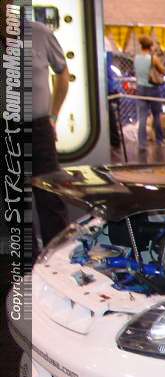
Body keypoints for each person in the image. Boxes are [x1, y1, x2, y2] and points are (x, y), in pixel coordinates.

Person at [30, 19, 70, 246]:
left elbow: (62, 73)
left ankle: (57, 258)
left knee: (50, 200)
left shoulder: (39, 33)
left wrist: (53, 117)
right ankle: (25, 264)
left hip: (39, 129)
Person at [133, 35, 165, 150]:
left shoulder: (136, 58)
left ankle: (142, 144)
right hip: (152, 88)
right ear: (151, 46)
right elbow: (163, 70)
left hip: (140, 88)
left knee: (142, 117)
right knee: (156, 115)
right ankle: (159, 140)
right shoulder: (153, 58)